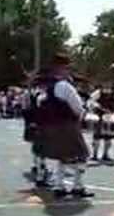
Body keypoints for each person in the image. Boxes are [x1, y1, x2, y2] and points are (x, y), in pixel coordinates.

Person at [36, 53, 94, 198]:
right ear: (62, 68)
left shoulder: (48, 88)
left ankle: (60, 186)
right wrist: (83, 114)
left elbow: (40, 103)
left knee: (63, 157)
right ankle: (77, 186)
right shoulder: (65, 86)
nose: (69, 71)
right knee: (82, 155)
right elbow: (78, 107)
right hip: (68, 126)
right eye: (67, 68)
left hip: (53, 127)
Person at [88, 84, 114, 162]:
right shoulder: (97, 93)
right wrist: (96, 106)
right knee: (97, 137)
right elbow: (90, 102)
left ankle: (105, 154)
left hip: (110, 118)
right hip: (99, 117)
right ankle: (95, 155)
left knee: (108, 138)